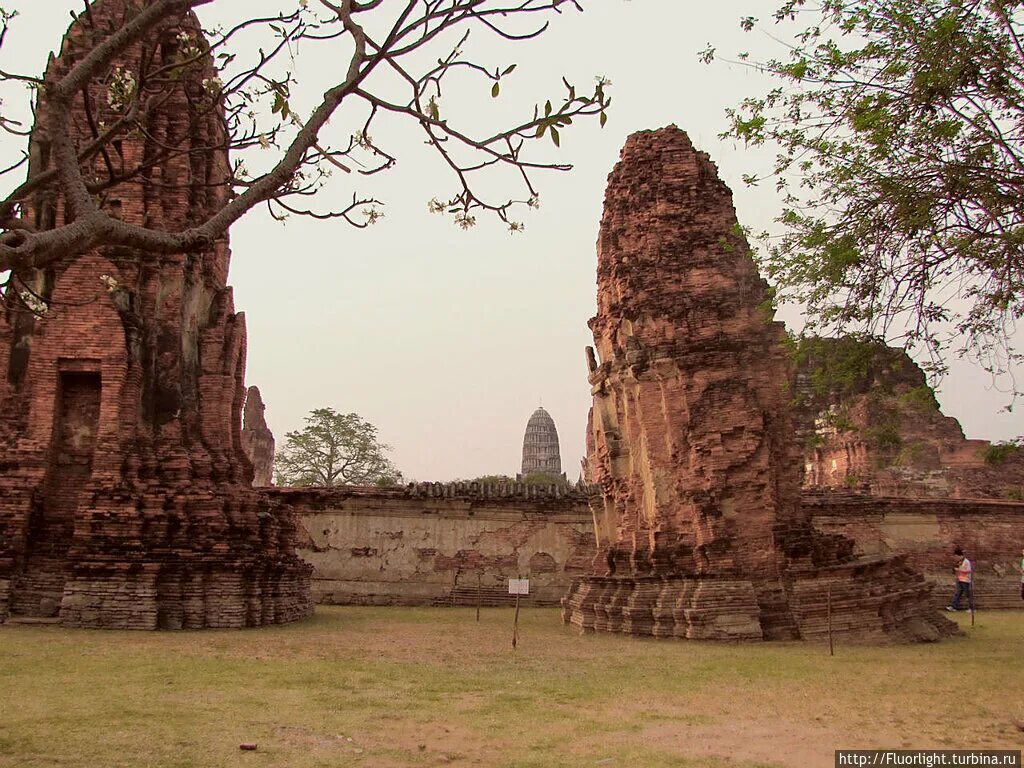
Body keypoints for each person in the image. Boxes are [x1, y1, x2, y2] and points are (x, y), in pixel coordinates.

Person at [946, 547, 974, 612]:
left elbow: (969, 571)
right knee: (957, 593)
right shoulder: (959, 562)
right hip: (960, 579)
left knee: (967, 594)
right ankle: (953, 606)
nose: (955, 558)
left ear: (959, 555)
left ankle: (971, 608)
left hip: (966, 580)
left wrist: (959, 570)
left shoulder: (966, 562)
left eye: (956, 556)